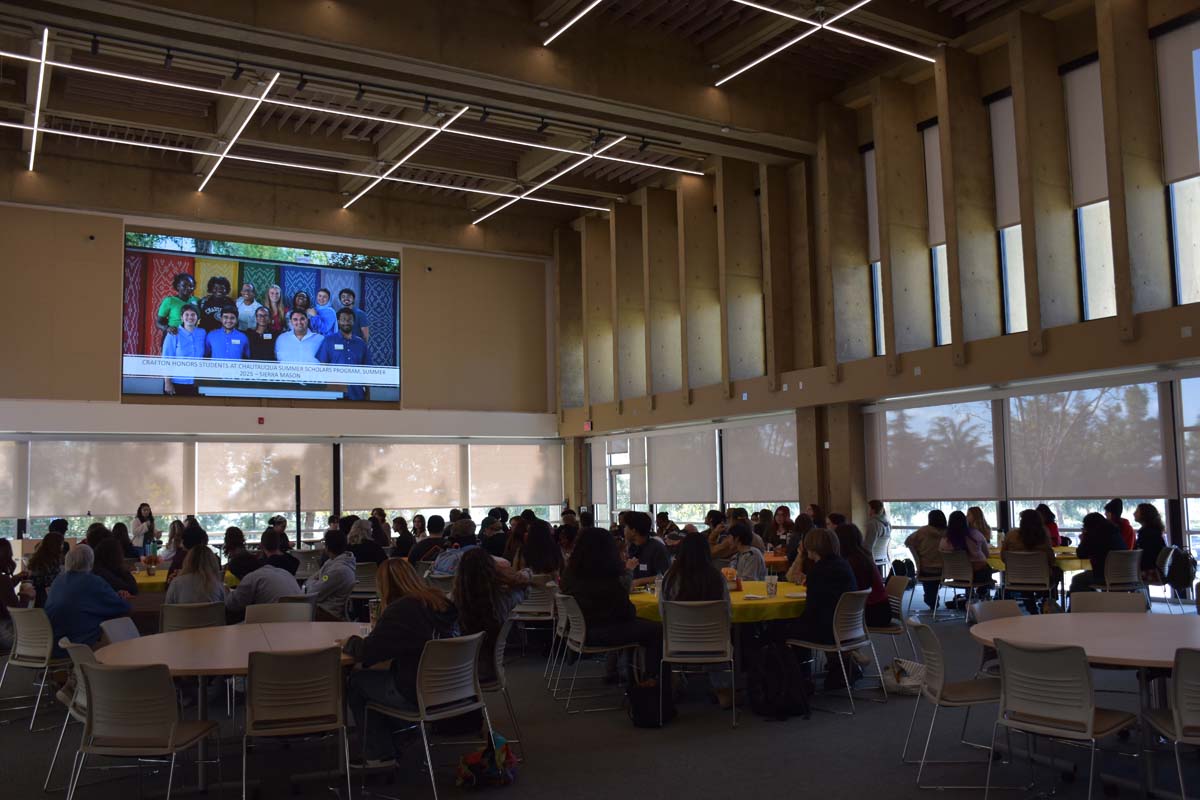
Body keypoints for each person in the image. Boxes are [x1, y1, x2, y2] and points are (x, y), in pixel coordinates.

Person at [343, 558, 458, 769]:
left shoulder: (400, 611)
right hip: (450, 688)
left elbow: (369, 654)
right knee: (376, 680)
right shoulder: (438, 602)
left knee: (358, 681)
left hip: (415, 692)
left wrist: (349, 643)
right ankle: (402, 734)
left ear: (384, 585)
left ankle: (379, 754)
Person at [561, 528, 662, 682]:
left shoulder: (570, 574)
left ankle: (621, 672)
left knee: (642, 627)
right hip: (602, 631)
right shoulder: (606, 578)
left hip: (580, 630)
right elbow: (625, 612)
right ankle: (650, 679)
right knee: (657, 630)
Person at [453, 547, 532, 683]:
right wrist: (510, 576)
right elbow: (526, 588)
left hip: (460, 674)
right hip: (492, 669)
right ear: (492, 571)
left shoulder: (451, 602)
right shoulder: (504, 598)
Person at [771, 528, 856, 646]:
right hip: (849, 628)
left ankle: (789, 664)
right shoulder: (844, 564)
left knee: (775, 629)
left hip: (825, 630)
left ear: (813, 548)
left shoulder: (818, 571)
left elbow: (811, 610)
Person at [45, 545, 130, 650]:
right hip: (78, 644)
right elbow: (122, 607)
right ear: (90, 561)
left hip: (52, 643)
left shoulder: (58, 580)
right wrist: (121, 597)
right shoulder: (93, 581)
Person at [1002, 509, 1058, 612]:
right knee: (1057, 572)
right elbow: (1051, 560)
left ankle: (1031, 607)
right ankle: (1047, 602)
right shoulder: (1043, 536)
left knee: (1025, 576)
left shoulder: (1011, 536)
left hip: (1017, 579)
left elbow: (1004, 557)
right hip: (1041, 579)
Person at [835, 523, 890, 627]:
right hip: (881, 608)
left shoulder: (852, 562)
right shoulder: (863, 556)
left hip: (873, 612)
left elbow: (849, 592)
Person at [939, 510, 993, 599]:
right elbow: (986, 554)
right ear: (965, 521)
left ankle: (973, 598)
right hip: (977, 577)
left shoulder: (944, 540)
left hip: (955, 576)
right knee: (988, 569)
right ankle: (982, 595)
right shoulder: (975, 535)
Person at [317, 307, 370, 400]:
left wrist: (368, 393)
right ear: (338, 321)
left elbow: (367, 370)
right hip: (334, 393)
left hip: (356, 393)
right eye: (343, 319)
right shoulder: (328, 341)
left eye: (349, 320)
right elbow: (322, 366)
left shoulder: (361, 344)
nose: (346, 322)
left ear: (354, 322)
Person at [304, 529, 356, 620]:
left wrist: (309, 583)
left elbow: (314, 593)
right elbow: (316, 578)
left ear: (327, 547)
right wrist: (315, 581)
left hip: (326, 613)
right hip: (322, 609)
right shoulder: (334, 562)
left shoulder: (337, 571)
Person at [224, 557, 302, 616]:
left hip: (273, 622)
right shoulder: (283, 572)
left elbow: (231, 605)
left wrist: (226, 591)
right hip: (298, 618)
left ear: (240, 574)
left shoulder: (252, 578)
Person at [1071, 512, 1128, 593]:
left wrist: (1083, 539)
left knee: (1077, 579)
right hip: (1125, 575)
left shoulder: (1092, 535)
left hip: (1104, 576)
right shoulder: (1116, 533)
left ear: (1088, 526)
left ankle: (1083, 605)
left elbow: (1081, 554)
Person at [905, 510, 948, 610]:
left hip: (926, 570)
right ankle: (932, 597)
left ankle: (931, 599)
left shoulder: (922, 531)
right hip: (944, 571)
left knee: (929, 588)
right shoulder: (948, 533)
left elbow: (908, 541)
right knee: (933, 586)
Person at [161, 304, 205, 395]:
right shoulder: (173, 333)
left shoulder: (202, 333)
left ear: (197, 317)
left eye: (193, 314)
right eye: (187, 314)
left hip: (197, 382)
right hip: (177, 381)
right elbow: (166, 359)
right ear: (181, 318)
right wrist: (167, 382)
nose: (190, 317)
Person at [0, 539, 34, 651]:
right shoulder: (3, 580)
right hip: (4, 635)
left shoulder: (4, 581)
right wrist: (26, 596)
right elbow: (18, 613)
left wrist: (14, 579)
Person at [26, 531, 65, 607]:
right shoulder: (53, 562)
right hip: (48, 598)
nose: (62, 546)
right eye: (62, 544)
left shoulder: (37, 559)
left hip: (36, 598)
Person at [156, 272, 198, 337]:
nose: (188, 288)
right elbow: (159, 322)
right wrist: (167, 328)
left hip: (191, 336)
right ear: (178, 286)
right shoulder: (169, 301)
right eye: (184, 285)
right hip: (173, 335)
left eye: (191, 286)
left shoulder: (197, 300)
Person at [1134, 503, 1167, 579]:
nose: (1134, 513)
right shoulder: (1155, 531)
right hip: (1157, 571)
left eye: (1137, 511)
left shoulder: (1146, 534)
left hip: (1150, 572)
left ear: (1144, 515)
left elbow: (1143, 557)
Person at [863, 500, 891, 568]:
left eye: (868, 508)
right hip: (883, 557)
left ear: (873, 510)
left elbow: (868, 546)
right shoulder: (888, 524)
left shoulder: (873, 524)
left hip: (873, 559)